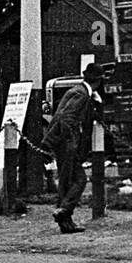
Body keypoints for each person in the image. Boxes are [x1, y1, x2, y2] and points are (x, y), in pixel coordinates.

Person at [41, 62, 105, 233]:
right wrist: (72, 141)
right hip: (68, 145)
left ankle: (65, 223)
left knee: (67, 181)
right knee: (79, 180)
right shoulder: (81, 94)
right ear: (98, 81)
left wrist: (97, 103)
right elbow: (66, 118)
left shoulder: (79, 92)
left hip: (63, 143)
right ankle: (64, 210)